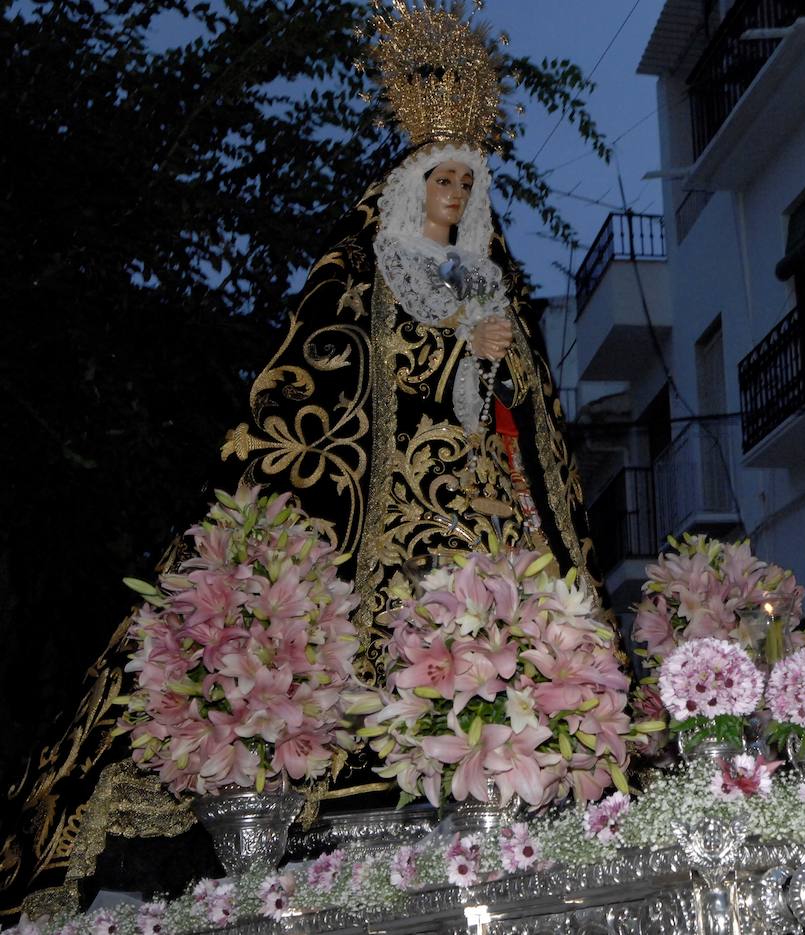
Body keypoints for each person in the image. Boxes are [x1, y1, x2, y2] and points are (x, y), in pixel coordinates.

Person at [1, 7, 600, 917]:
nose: (452, 193)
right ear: (412, 184)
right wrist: (453, 352)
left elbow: (513, 407)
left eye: (464, 182)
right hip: (388, 511)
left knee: (506, 628)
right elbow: (347, 384)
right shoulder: (373, 265)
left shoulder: (491, 278)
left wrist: (497, 363)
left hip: (482, 496)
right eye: (439, 178)